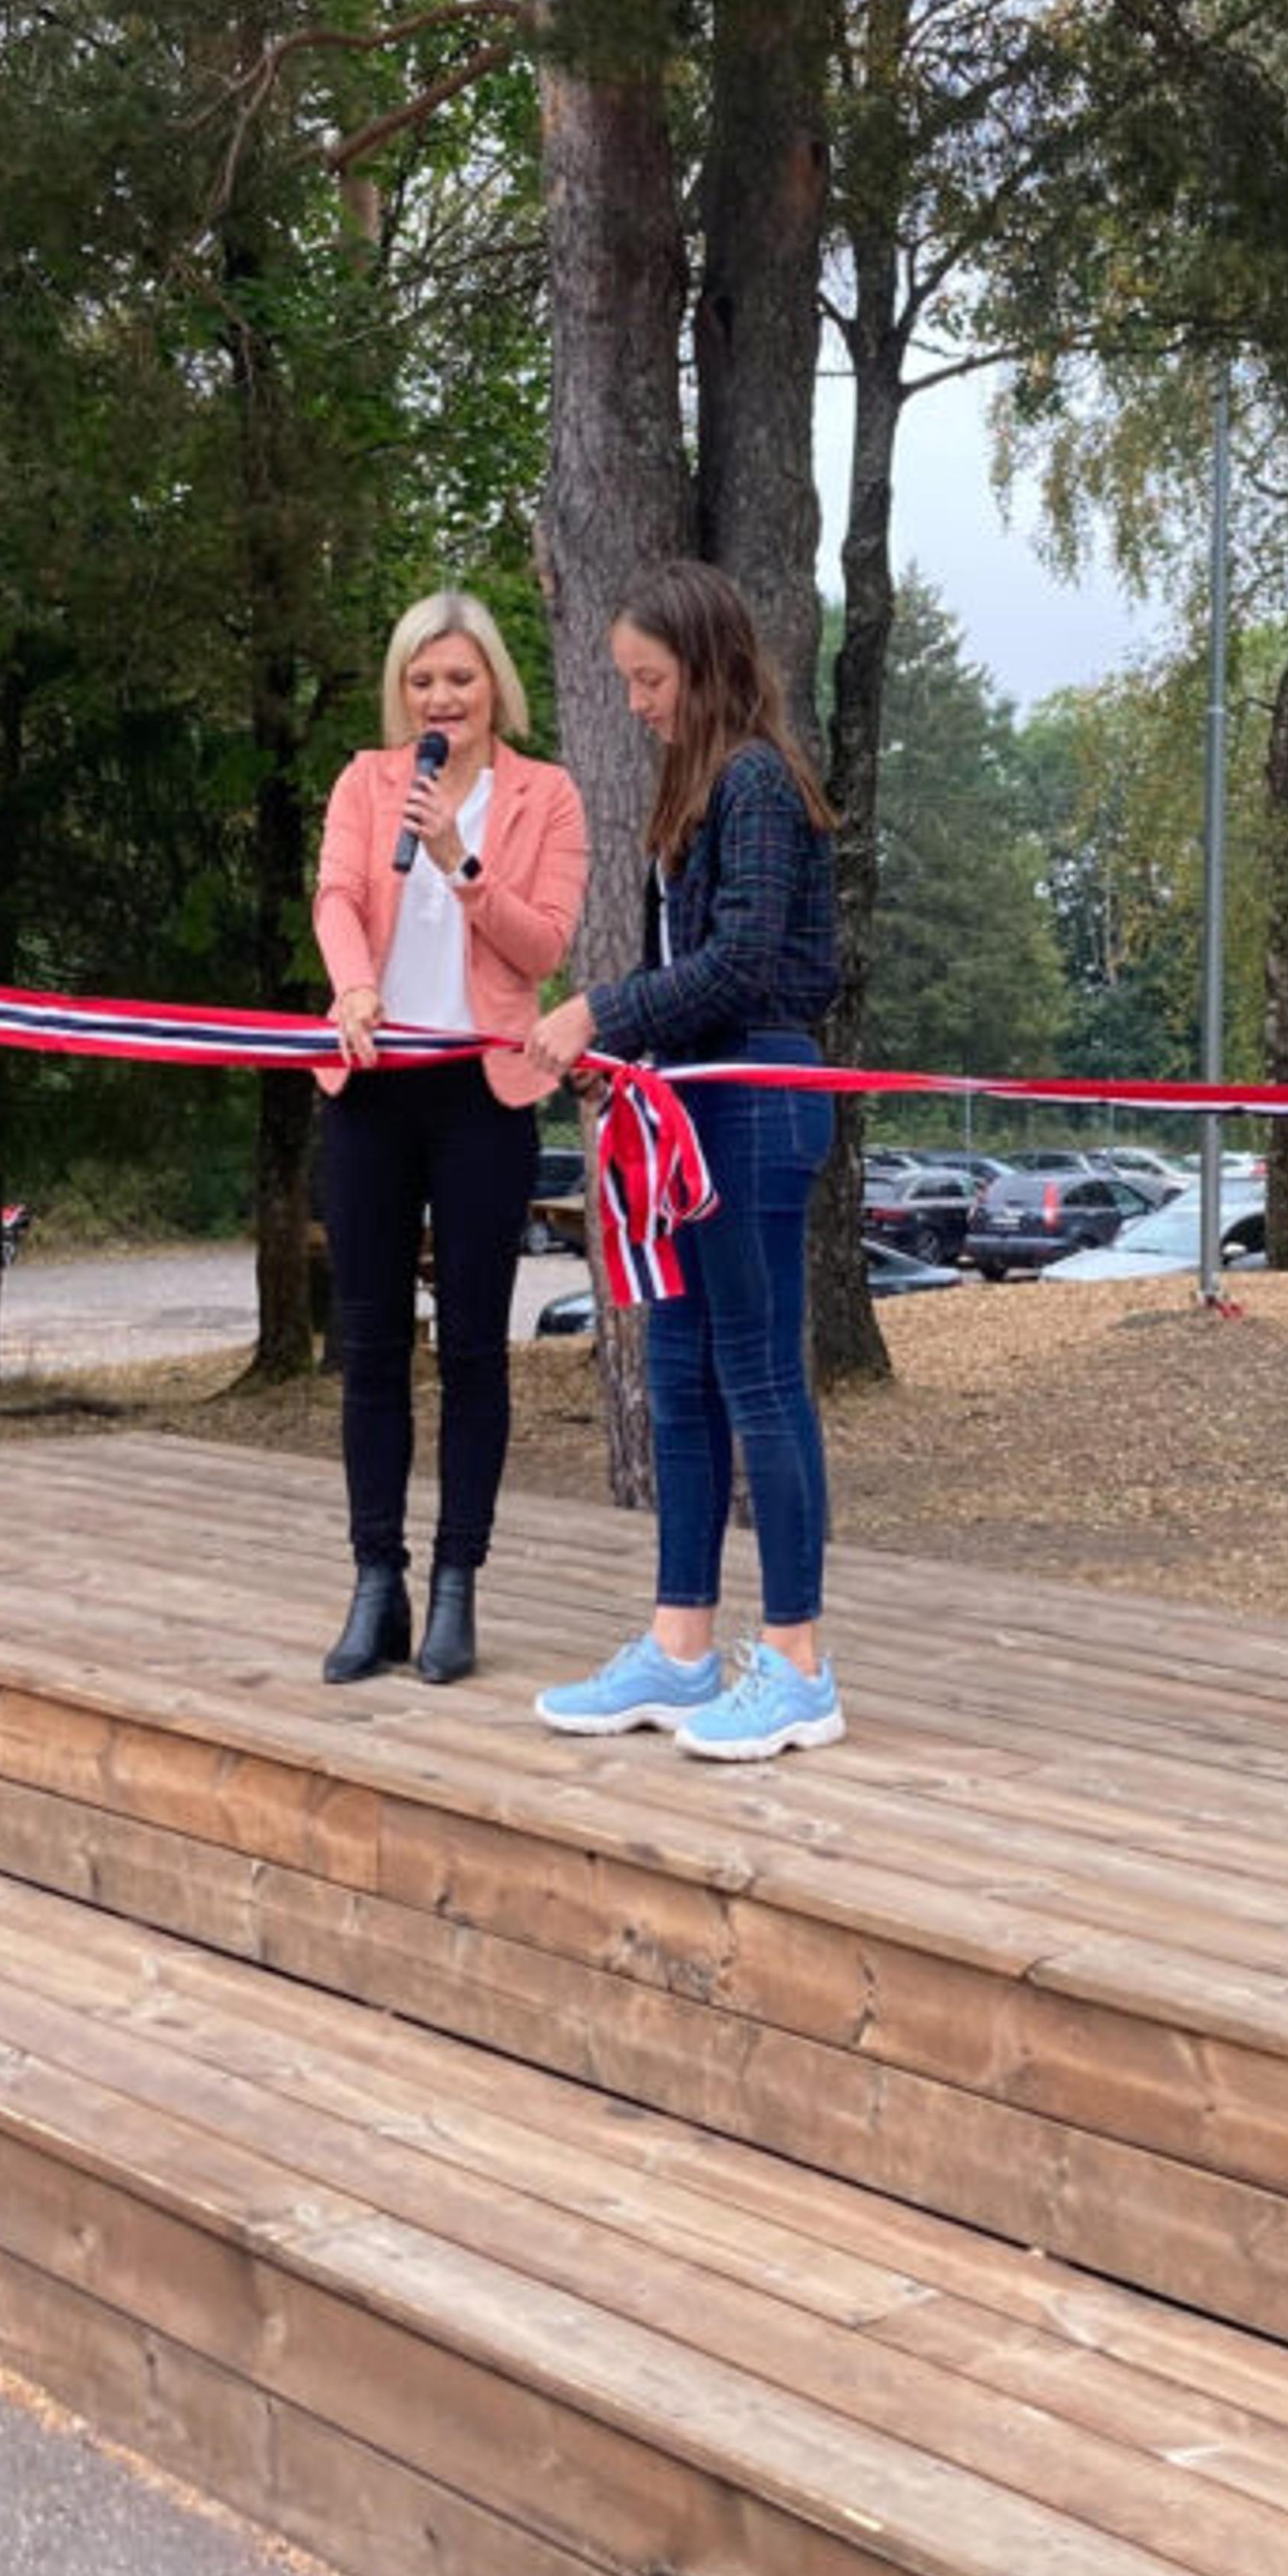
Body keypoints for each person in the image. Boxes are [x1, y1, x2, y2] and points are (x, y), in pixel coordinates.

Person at [525, 560, 845, 1762]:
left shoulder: (757, 781)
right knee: (679, 1372)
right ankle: (680, 1646)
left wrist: (602, 1012)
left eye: (649, 679)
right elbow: (691, 972)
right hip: (684, 1106)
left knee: (759, 1377)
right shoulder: (696, 788)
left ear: (705, 668)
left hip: (753, 1100)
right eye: (626, 681)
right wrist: (624, 1053)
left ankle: (799, 1666)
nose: (637, 703)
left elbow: (747, 963)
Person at [311, 591, 589, 1685]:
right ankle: (375, 1582)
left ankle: (457, 1584)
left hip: (484, 1095)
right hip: (372, 1088)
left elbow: (544, 947)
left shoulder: (546, 795)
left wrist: (460, 861)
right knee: (372, 1347)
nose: (441, 698)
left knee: (473, 1349)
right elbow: (338, 898)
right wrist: (354, 986)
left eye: (460, 679)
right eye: (422, 680)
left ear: (494, 688)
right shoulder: (365, 782)